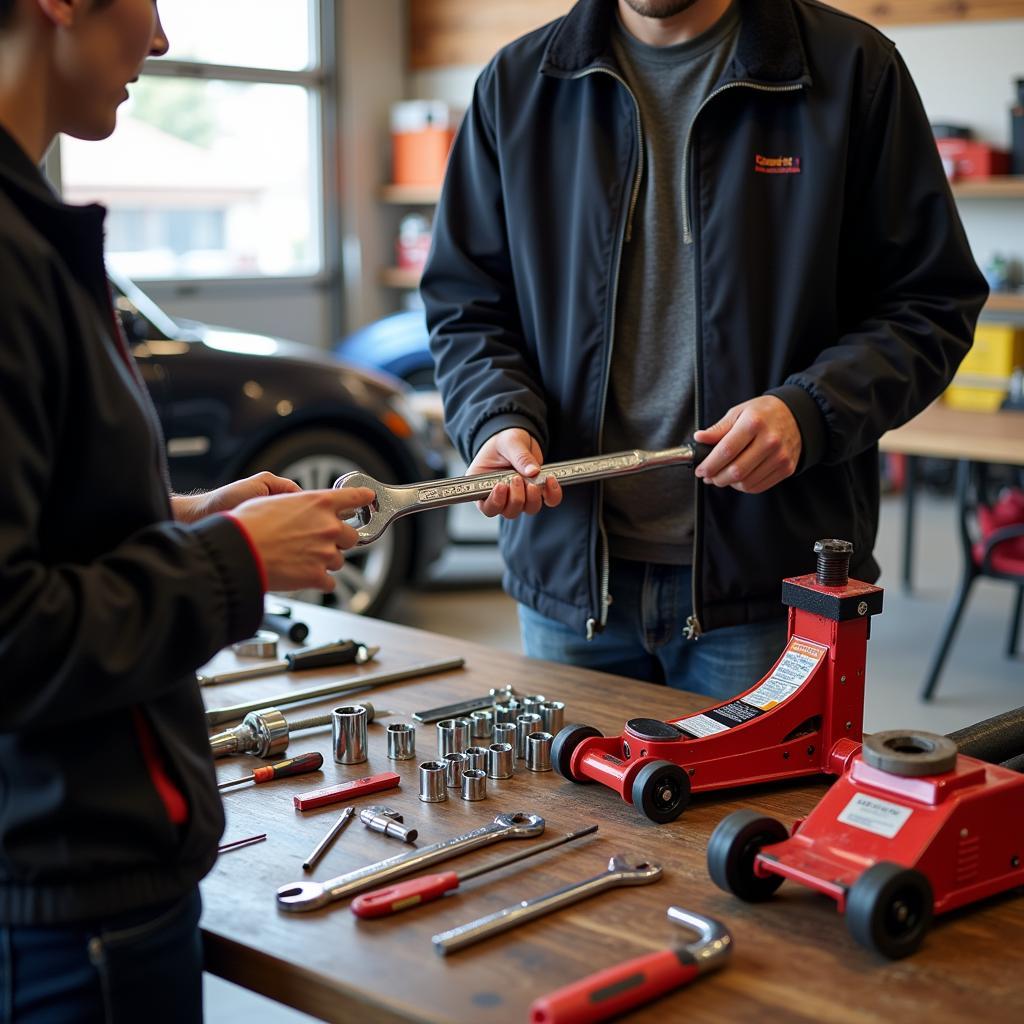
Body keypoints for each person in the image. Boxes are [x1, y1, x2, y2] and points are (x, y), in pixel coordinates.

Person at [421, 0, 987, 699]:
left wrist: (809, 412)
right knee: (569, 810)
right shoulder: (518, 85)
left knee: (759, 814)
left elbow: (932, 302)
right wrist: (498, 416)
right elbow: (465, 304)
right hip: (571, 587)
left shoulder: (852, 70)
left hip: (768, 584)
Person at [0, 1, 373, 1019]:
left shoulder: (29, 220)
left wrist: (181, 513)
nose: (160, 39)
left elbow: (41, 516)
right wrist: (232, 564)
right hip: (69, 903)